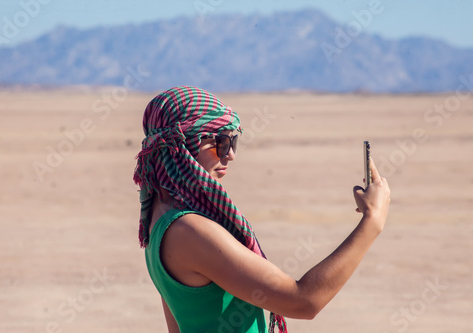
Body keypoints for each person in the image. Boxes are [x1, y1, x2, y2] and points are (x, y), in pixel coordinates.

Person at [133, 86, 391, 333]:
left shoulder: (158, 219)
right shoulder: (190, 231)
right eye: (220, 142)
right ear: (182, 146)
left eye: (233, 142)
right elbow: (304, 301)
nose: (230, 154)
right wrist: (372, 221)